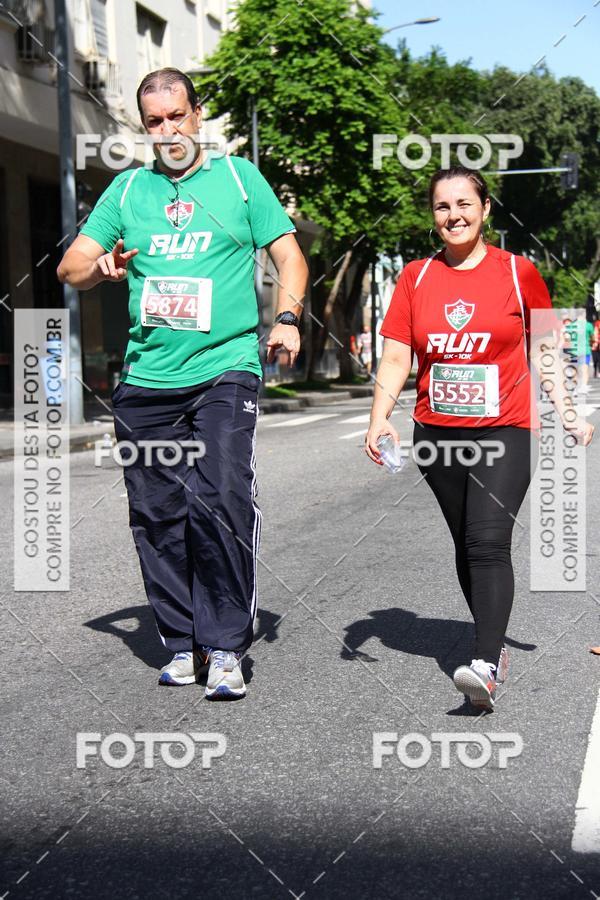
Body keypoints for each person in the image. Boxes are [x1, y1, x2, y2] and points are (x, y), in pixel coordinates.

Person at [58, 68, 308, 700]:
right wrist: (102, 265)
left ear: (197, 115)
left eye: (176, 117)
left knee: (221, 498)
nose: (167, 132)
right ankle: (180, 642)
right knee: (158, 512)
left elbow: (289, 256)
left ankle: (225, 645)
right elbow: (71, 266)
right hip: (147, 379)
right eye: (153, 123)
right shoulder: (128, 190)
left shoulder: (237, 180)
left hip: (224, 368)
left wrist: (285, 319)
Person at [365, 165, 594, 711]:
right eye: (443, 207)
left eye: (465, 204)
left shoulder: (519, 272)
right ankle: (491, 640)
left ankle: (485, 663)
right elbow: (398, 353)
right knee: (466, 542)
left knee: (488, 539)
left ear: (486, 209)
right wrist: (380, 417)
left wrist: (565, 410)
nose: (454, 215)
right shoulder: (416, 277)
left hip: (506, 428)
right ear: (433, 216)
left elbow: (545, 348)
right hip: (437, 431)